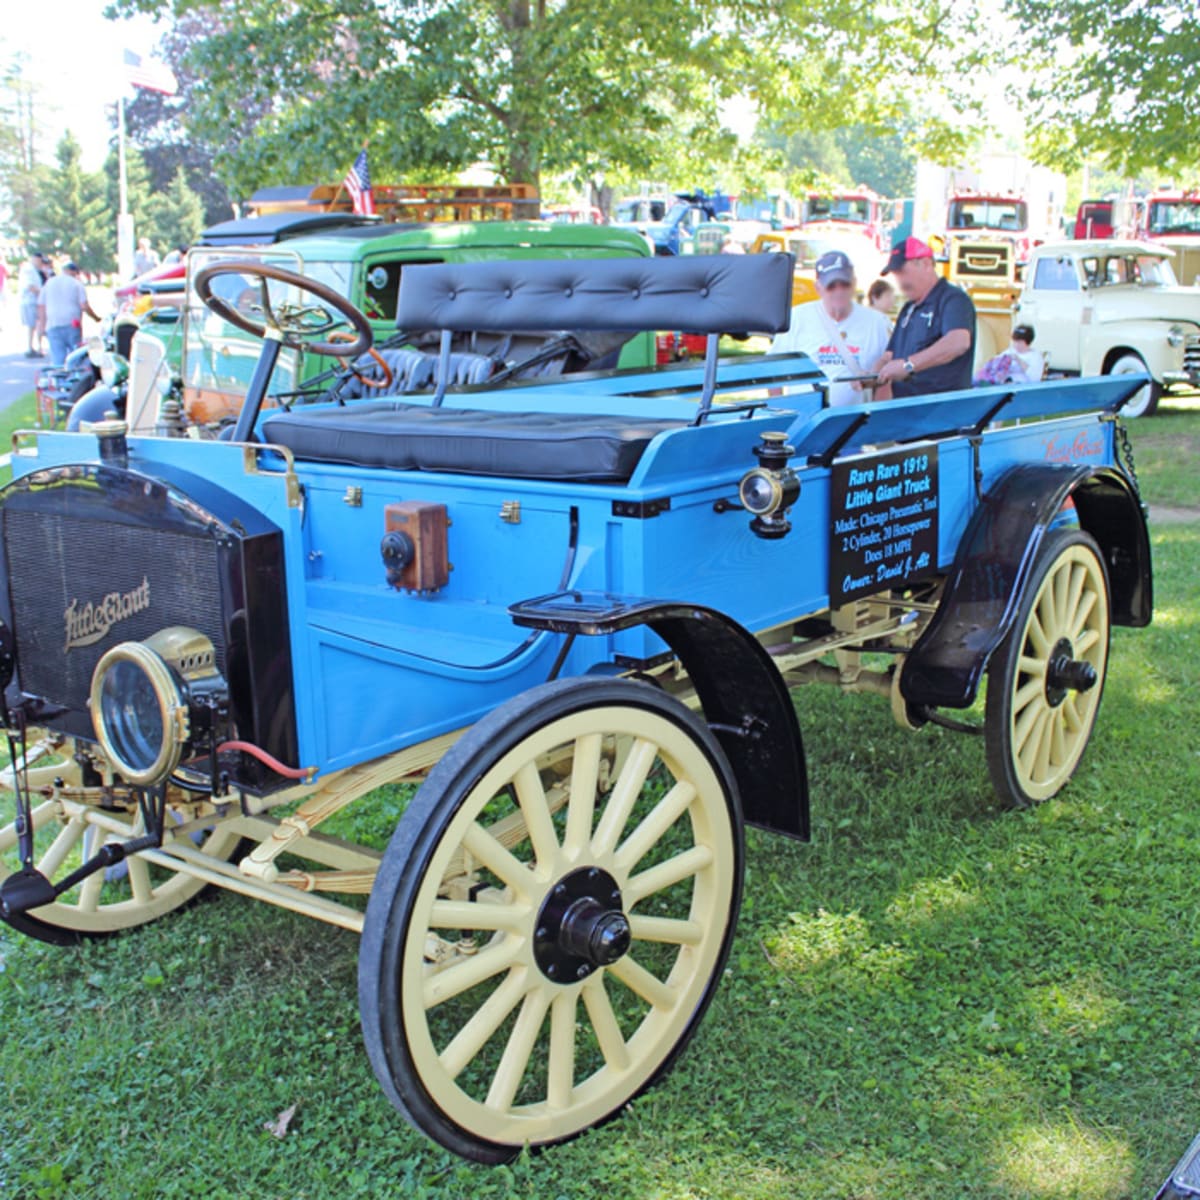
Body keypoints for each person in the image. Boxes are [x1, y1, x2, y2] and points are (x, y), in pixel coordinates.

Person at [772, 249, 891, 406]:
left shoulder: (878, 323)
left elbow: (888, 376)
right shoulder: (796, 319)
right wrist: (779, 415)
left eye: (845, 284)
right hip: (803, 423)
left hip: (855, 424)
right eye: (831, 286)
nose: (839, 291)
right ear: (818, 287)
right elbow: (774, 371)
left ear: (854, 283)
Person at [873, 236, 976, 398]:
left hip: (940, 412)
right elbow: (890, 356)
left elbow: (958, 342)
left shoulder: (953, 299)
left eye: (903, 272)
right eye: (896, 274)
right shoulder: (908, 308)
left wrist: (909, 365)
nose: (900, 281)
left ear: (926, 264)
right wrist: (872, 376)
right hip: (905, 411)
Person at [38, 261, 99, 366]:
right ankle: (74, 379)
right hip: (72, 323)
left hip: (53, 324)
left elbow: (41, 306)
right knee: (74, 357)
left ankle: (60, 379)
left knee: (58, 358)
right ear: (74, 272)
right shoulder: (76, 284)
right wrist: (96, 318)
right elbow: (84, 306)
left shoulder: (49, 283)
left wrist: (41, 326)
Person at [974, 324, 1045, 386]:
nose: (1016, 344)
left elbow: (1035, 378)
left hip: (1020, 386)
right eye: (1015, 341)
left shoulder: (1035, 356)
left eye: (1019, 342)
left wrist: (1018, 360)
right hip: (1003, 384)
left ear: (1027, 342)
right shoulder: (1010, 351)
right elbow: (997, 364)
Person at [18, 251, 44, 357]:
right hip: (29, 301)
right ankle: (31, 347)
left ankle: (35, 347)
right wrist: (43, 293)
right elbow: (30, 286)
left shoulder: (33, 269)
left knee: (35, 325)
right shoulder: (28, 269)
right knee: (32, 325)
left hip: (33, 301)